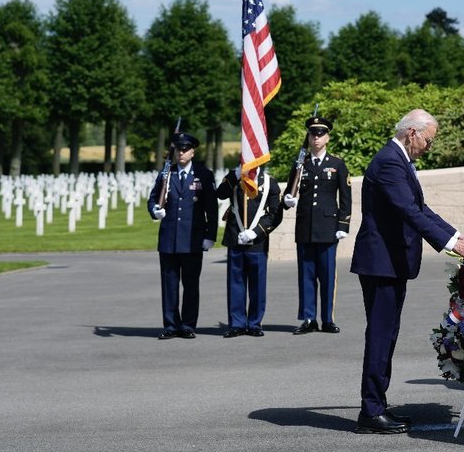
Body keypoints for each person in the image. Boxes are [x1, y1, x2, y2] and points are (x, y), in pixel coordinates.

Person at [349, 109, 464, 434]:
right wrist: (453, 244)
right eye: (428, 139)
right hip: (382, 264)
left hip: (389, 263)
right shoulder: (390, 162)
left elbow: (420, 208)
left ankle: (376, 404)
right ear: (412, 133)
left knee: (386, 334)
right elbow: (409, 211)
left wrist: (456, 236)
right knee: (381, 335)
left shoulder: (398, 160)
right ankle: (371, 411)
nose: (429, 146)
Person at [283, 116, 352, 335]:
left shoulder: (337, 164)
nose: (316, 138)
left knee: (327, 275)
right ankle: (308, 318)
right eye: (313, 134)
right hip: (305, 227)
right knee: (306, 275)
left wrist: (343, 224)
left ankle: (327, 319)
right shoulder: (300, 163)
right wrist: (288, 199)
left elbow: (346, 197)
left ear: (328, 137)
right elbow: (290, 190)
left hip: (328, 227)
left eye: (320, 134)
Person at [147, 132, 218, 340]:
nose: (181, 152)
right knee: (169, 285)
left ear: (193, 151)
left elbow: (211, 208)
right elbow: (153, 199)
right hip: (169, 239)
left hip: (192, 240)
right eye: (179, 149)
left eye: (185, 149)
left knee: (190, 285)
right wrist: (155, 211)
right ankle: (170, 324)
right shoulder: (166, 173)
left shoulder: (203, 174)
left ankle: (187, 325)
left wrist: (210, 235)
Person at [215, 166, 282, 338]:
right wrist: (235, 175)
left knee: (257, 284)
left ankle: (254, 323)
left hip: (257, 242)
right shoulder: (234, 178)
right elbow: (220, 194)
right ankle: (237, 323)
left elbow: (276, 214)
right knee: (235, 283)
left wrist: (256, 232)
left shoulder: (269, 182)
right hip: (235, 237)